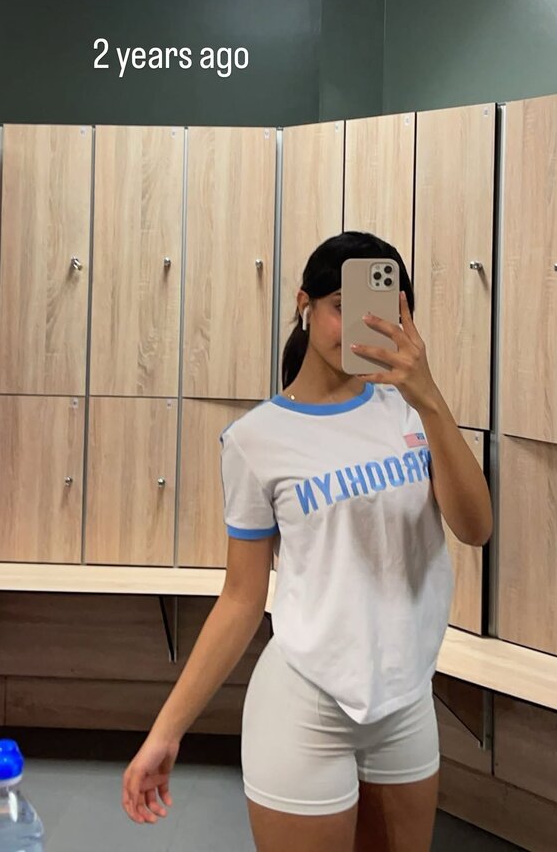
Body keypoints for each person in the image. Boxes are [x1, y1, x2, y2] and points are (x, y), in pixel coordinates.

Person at [122, 230, 493, 852]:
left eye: (384, 310)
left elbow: (475, 528)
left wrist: (428, 397)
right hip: (306, 704)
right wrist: (167, 730)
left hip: (405, 699)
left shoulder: (411, 414)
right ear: (306, 304)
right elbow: (242, 599)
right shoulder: (256, 440)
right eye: (343, 307)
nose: (362, 326)